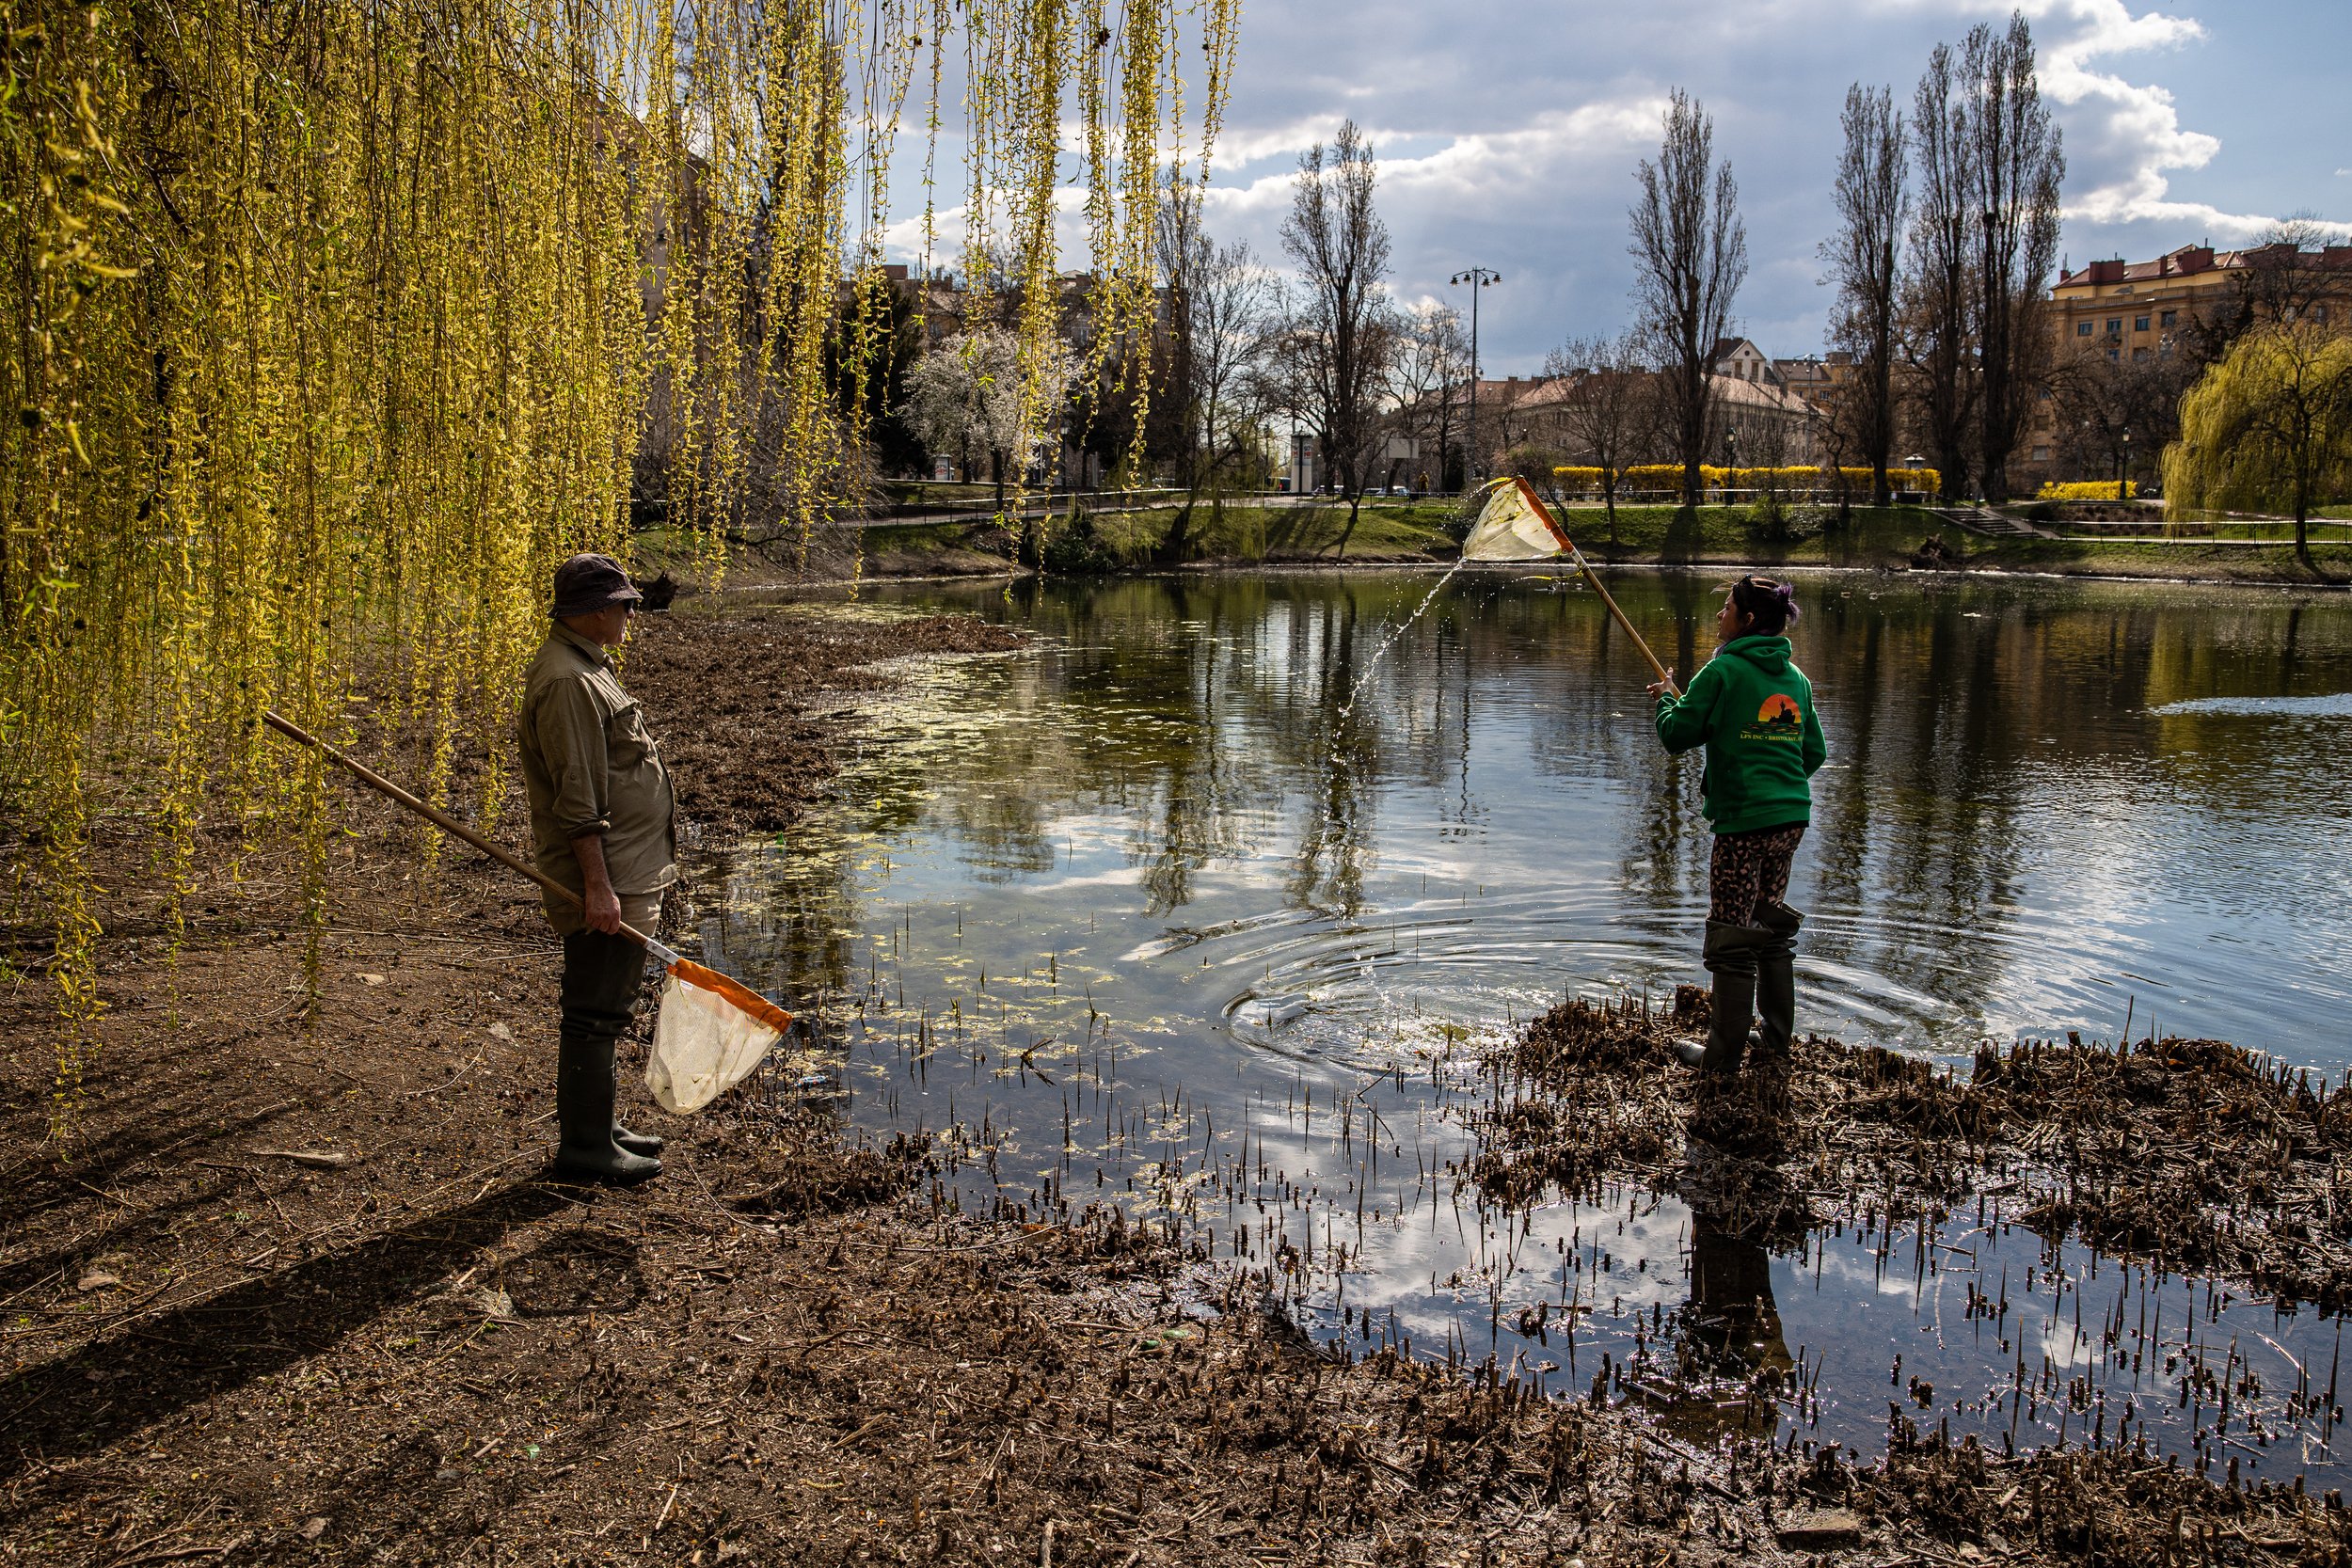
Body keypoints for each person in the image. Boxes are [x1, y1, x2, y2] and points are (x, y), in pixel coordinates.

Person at [518, 553, 676, 1182]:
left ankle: (600, 1124)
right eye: (621, 603)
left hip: (626, 870)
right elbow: (578, 799)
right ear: (589, 610)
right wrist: (598, 887)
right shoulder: (567, 681)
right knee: (593, 1008)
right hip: (607, 876)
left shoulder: (587, 668)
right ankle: (585, 1147)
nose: (629, 612)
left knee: (608, 1005)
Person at [1647, 576, 1826, 1075]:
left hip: (1744, 824)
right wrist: (1775, 781)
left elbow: (1677, 734)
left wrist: (1666, 698)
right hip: (1790, 818)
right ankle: (1774, 1040)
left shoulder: (1721, 671)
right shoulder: (1796, 679)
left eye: (1726, 608)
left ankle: (1722, 1055)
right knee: (1768, 923)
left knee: (1731, 933)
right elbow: (1814, 751)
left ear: (1747, 620)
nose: (1719, 616)